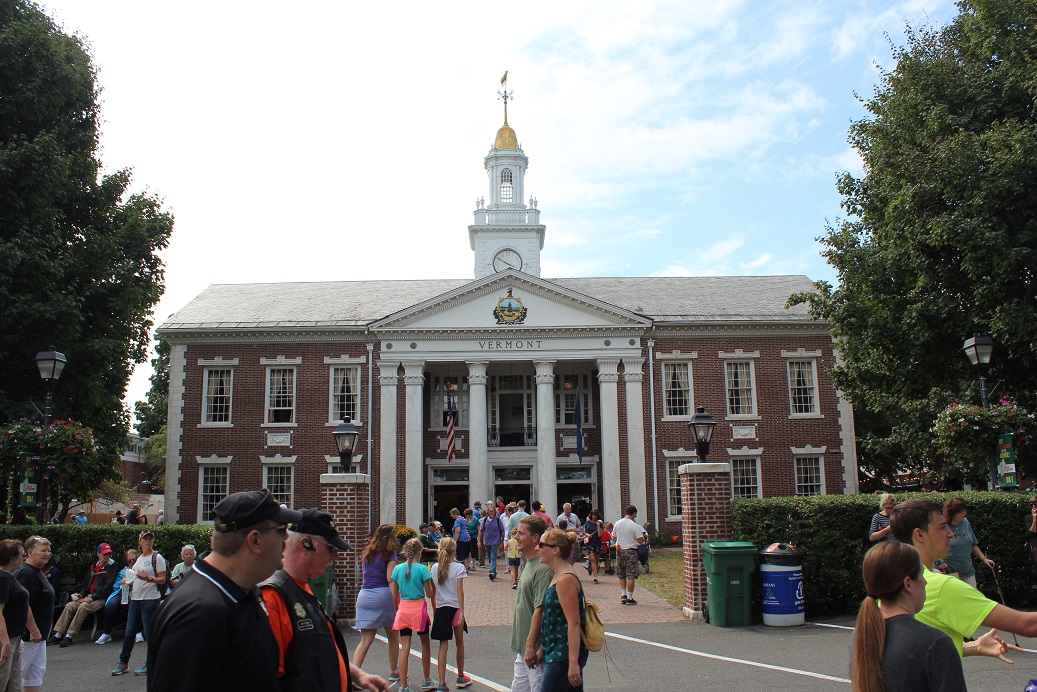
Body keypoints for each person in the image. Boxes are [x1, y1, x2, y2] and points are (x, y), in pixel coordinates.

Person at [146, 489, 302, 691]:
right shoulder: (199, 614)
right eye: (281, 529)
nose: (287, 537)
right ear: (255, 540)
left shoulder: (241, 592)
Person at [261, 508, 389, 692]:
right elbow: (268, 678)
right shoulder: (273, 596)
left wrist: (355, 674)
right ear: (306, 544)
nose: (336, 555)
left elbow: (318, 652)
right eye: (331, 548)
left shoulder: (301, 588)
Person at [889, 499, 1034, 660]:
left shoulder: (893, 579)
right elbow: (1027, 625)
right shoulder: (941, 586)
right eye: (942, 527)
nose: (951, 534)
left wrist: (973, 646)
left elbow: (917, 648)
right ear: (920, 535)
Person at [850, 540, 966, 692]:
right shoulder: (934, 642)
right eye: (922, 575)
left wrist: (974, 647)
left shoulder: (861, 634)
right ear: (908, 583)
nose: (924, 582)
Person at [525, 530, 587, 692]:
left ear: (555, 550)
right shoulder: (558, 575)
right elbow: (554, 620)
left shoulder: (565, 579)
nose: (538, 548)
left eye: (542, 545)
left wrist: (573, 663)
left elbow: (573, 623)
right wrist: (543, 649)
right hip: (555, 651)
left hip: (563, 655)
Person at [111, 529, 165, 676]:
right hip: (136, 599)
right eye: (145, 539)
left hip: (150, 599)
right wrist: (126, 581)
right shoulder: (138, 558)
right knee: (129, 633)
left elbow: (162, 579)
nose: (148, 541)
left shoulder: (157, 557)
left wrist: (148, 578)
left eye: (150, 539)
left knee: (149, 632)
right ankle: (123, 662)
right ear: (140, 541)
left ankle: (151, 663)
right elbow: (133, 577)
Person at [353, 524, 401, 682]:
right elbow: (390, 578)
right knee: (393, 636)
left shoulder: (369, 553)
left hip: (365, 595)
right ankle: (394, 671)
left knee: (365, 640)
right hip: (382, 595)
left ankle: (354, 673)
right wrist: (396, 598)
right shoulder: (390, 554)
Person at [509, 515, 551, 692]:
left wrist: (532, 647)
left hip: (533, 651)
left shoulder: (542, 570)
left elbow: (541, 610)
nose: (516, 537)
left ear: (535, 538)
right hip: (523, 648)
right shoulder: (530, 564)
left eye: (520, 533)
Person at [50, 543, 118, 646]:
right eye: (105, 554)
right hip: (88, 596)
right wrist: (81, 594)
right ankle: (58, 634)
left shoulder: (112, 567)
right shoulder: (93, 567)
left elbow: (107, 587)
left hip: (101, 598)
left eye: (109, 554)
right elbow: (85, 584)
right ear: (98, 554)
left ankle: (70, 635)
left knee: (83, 606)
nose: (107, 557)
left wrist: (93, 597)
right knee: (70, 605)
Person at [390, 538, 435, 692]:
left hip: (403, 608)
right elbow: (429, 594)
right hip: (418, 610)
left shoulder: (397, 569)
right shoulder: (423, 569)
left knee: (405, 647)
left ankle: (403, 686)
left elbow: (395, 594)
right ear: (420, 552)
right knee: (425, 644)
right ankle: (426, 679)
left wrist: (397, 610)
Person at [430, 537, 471, 691]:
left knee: (443, 645)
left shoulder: (434, 568)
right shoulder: (459, 568)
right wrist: (462, 611)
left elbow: (433, 592)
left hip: (441, 609)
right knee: (459, 642)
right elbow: (459, 590)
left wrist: (435, 609)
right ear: (454, 550)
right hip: (455, 608)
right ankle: (460, 676)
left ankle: (441, 682)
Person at [15, 536, 53, 692]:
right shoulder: (26, 574)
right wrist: (33, 630)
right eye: (43, 550)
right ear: (30, 552)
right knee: (16, 676)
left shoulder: (37, 572)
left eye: (49, 551)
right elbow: (23, 605)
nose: (47, 554)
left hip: (39, 638)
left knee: (34, 677)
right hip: (28, 638)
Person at [941, 498, 994, 588]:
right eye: (961, 511)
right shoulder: (943, 526)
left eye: (964, 510)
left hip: (968, 572)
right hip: (950, 573)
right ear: (953, 513)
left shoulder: (965, 522)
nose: (965, 513)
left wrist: (984, 559)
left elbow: (973, 544)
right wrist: (940, 562)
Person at [0, 539, 29, 691]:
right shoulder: (2, 579)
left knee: (15, 686)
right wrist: (5, 644)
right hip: (6, 641)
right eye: (22, 555)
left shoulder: (10, 577)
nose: (24, 558)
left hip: (16, 640)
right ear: (12, 558)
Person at [96, 549, 138, 645]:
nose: (132, 562)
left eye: (134, 560)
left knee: (134, 604)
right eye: (129, 560)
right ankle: (106, 633)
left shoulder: (141, 570)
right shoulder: (123, 571)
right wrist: (121, 582)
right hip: (121, 593)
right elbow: (115, 587)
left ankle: (137, 631)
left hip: (136, 594)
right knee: (111, 605)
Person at [612, 506, 645, 605]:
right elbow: (640, 540)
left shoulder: (618, 523)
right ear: (634, 513)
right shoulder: (634, 525)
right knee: (631, 575)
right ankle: (630, 597)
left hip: (620, 550)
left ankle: (623, 594)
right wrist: (643, 537)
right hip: (631, 551)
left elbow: (614, 537)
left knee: (621, 573)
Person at [479, 504, 506, 581]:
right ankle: (494, 571)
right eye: (490, 511)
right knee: (490, 557)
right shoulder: (485, 520)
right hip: (487, 541)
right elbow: (481, 531)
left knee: (493, 556)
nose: (491, 513)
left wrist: (501, 542)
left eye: (492, 511)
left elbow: (502, 531)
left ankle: (491, 572)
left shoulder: (497, 520)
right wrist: (479, 541)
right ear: (487, 512)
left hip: (495, 540)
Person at [582, 510, 602, 583]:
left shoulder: (600, 523)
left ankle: (593, 569)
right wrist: (587, 535)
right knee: (593, 559)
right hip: (590, 543)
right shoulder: (587, 523)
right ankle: (595, 576)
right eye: (592, 515)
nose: (593, 516)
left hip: (597, 543)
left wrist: (598, 526)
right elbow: (584, 531)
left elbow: (600, 535)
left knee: (596, 560)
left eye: (595, 515)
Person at [1026, 496, 1037, 572]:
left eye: (1036, 504)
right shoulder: (1028, 518)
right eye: (1031, 505)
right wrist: (1034, 520)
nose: (1034, 507)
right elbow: (1031, 534)